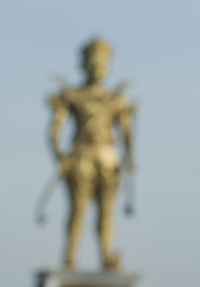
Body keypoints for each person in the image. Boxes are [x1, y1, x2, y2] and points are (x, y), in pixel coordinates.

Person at [46, 36, 137, 269]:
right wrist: (61, 157)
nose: (98, 66)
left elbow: (127, 132)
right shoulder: (73, 96)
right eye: (93, 61)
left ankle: (107, 254)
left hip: (108, 157)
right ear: (84, 63)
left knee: (107, 211)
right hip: (81, 157)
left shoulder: (115, 99)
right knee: (78, 209)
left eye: (102, 61)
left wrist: (130, 158)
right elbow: (54, 131)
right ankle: (69, 254)